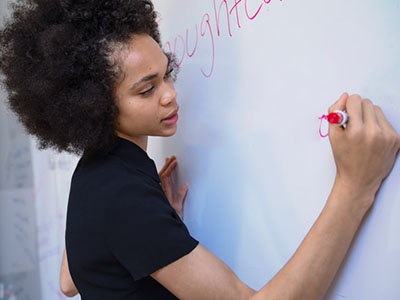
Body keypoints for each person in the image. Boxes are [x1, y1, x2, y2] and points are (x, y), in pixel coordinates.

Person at [0, 0, 399, 299]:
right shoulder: (122, 194)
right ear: (93, 104)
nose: (171, 95)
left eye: (167, 73)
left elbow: (68, 282)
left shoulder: (94, 171)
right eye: (146, 89)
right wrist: (355, 186)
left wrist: (147, 238)